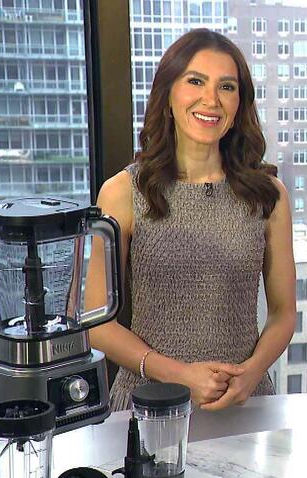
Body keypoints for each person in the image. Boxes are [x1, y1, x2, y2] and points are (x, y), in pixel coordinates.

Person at [86, 29, 296, 411]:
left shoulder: (269, 195)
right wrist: (179, 374)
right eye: (195, 81)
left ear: (238, 106)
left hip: (243, 402)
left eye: (227, 87)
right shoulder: (123, 192)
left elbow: (283, 313)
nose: (211, 99)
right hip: (151, 405)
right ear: (168, 95)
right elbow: (98, 323)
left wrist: (250, 374)